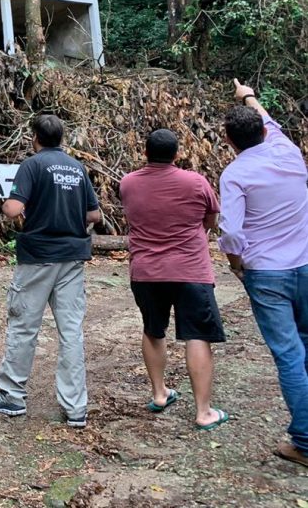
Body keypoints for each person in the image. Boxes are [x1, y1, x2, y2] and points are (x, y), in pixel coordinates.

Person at [0, 114, 101, 429]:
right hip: (72, 259)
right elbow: (94, 215)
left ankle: (12, 395)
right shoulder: (76, 167)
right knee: (71, 332)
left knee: (24, 326)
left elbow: (13, 209)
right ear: (61, 138)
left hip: (38, 258)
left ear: (35, 138)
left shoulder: (32, 165)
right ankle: (76, 408)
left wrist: (9, 205)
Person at [219, 80, 308, 468]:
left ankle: (305, 442)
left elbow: (231, 233)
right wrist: (248, 95)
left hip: (267, 274)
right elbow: (269, 120)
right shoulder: (289, 152)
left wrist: (235, 264)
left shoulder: (235, 174)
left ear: (228, 140)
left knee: (289, 355)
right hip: (305, 264)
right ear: (263, 131)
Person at [120, 129, 228, 430]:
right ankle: (203, 411)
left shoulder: (128, 183)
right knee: (198, 335)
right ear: (177, 154)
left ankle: (159, 393)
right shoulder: (196, 182)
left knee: (153, 330)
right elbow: (211, 219)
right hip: (190, 270)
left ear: (145, 152)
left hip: (146, 271)